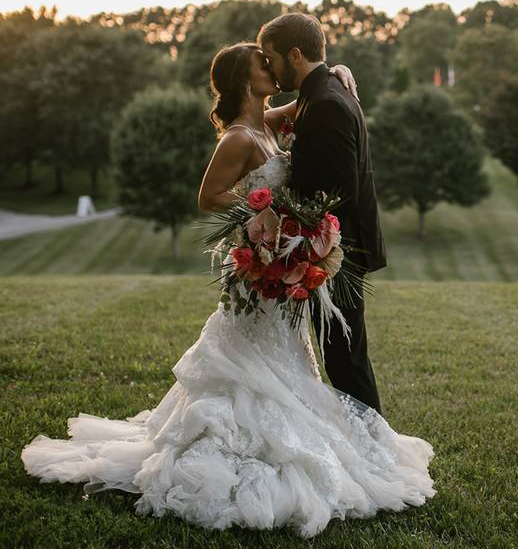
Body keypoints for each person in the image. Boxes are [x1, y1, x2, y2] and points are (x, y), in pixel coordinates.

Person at [21, 42, 435, 538]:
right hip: (257, 265)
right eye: (264, 64)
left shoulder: (267, 122)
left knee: (283, 357)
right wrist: (260, 206)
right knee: (247, 359)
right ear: (245, 77)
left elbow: (309, 99)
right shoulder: (239, 138)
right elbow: (207, 197)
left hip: (274, 263)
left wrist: (338, 68)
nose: (273, 68)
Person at [258, 13, 386, 415]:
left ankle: (375, 451)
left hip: (336, 252)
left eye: (271, 57)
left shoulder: (327, 103)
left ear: (295, 54)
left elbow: (336, 196)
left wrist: (303, 246)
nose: (270, 68)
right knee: (344, 358)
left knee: (345, 362)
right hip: (332, 250)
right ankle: (370, 448)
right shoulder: (325, 89)